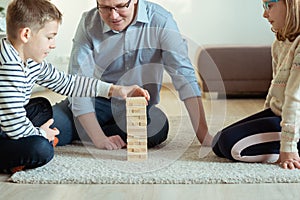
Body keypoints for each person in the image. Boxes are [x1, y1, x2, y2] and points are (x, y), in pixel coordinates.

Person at [0, 0, 149, 173]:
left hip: (6, 121)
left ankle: (16, 150)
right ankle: (14, 155)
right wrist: (41, 134)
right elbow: (13, 121)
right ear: (26, 34)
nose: (53, 44)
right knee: (42, 149)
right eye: (49, 37)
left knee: (41, 107)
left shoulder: (29, 59)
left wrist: (115, 90)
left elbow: (69, 83)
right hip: (7, 124)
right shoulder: (9, 67)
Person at [53, 0, 212, 150]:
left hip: (137, 107)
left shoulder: (161, 21)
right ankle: (93, 129)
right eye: (105, 7)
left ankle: (85, 130)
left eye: (120, 6)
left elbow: (184, 76)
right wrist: (99, 138)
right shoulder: (88, 23)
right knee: (47, 125)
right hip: (97, 100)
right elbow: (78, 83)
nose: (113, 16)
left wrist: (204, 135)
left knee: (154, 130)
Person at [212, 0, 300, 170]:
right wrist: (264, 115)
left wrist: (288, 148)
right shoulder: (280, 43)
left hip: (296, 119)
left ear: (291, 5)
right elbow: (275, 87)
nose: (265, 14)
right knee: (218, 142)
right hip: (280, 114)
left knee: (232, 145)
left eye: (269, 5)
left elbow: (295, 98)